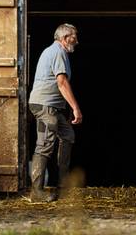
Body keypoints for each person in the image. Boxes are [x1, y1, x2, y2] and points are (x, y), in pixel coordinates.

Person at [27, 23, 82, 202]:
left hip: (52, 106)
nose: (77, 41)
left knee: (67, 135)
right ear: (65, 38)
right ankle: (36, 192)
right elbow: (62, 82)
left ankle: (63, 184)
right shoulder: (58, 52)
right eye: (74, 37)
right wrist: (75, 107)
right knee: (45, 145)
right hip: (45, 105)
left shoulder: (54, 51)